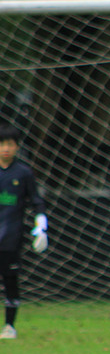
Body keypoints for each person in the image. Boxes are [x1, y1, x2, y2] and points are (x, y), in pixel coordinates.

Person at [0, 124, 47, 340]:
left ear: (17, 147)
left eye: (10, 144)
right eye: (2, 144)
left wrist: (41, 227)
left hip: (11, 238)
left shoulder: (23, 173)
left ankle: (9, 326)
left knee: (10, 280)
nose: (5, 148)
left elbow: (37, 202)